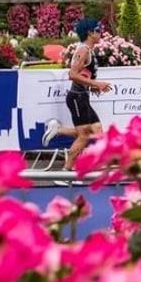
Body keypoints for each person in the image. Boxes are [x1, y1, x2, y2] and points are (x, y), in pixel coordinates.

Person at [41, 19, 113, 170]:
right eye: (98, 30)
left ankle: (59, 131)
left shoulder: (87, 49)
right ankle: (66, 171)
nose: (100, 33)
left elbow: (83, 75)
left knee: (97, 131)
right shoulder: (83, 50)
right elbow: (72, 74)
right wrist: (96, 84)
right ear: (90, 33)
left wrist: (92, 88)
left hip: (82, 96)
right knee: (84, 135)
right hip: (77, 98)